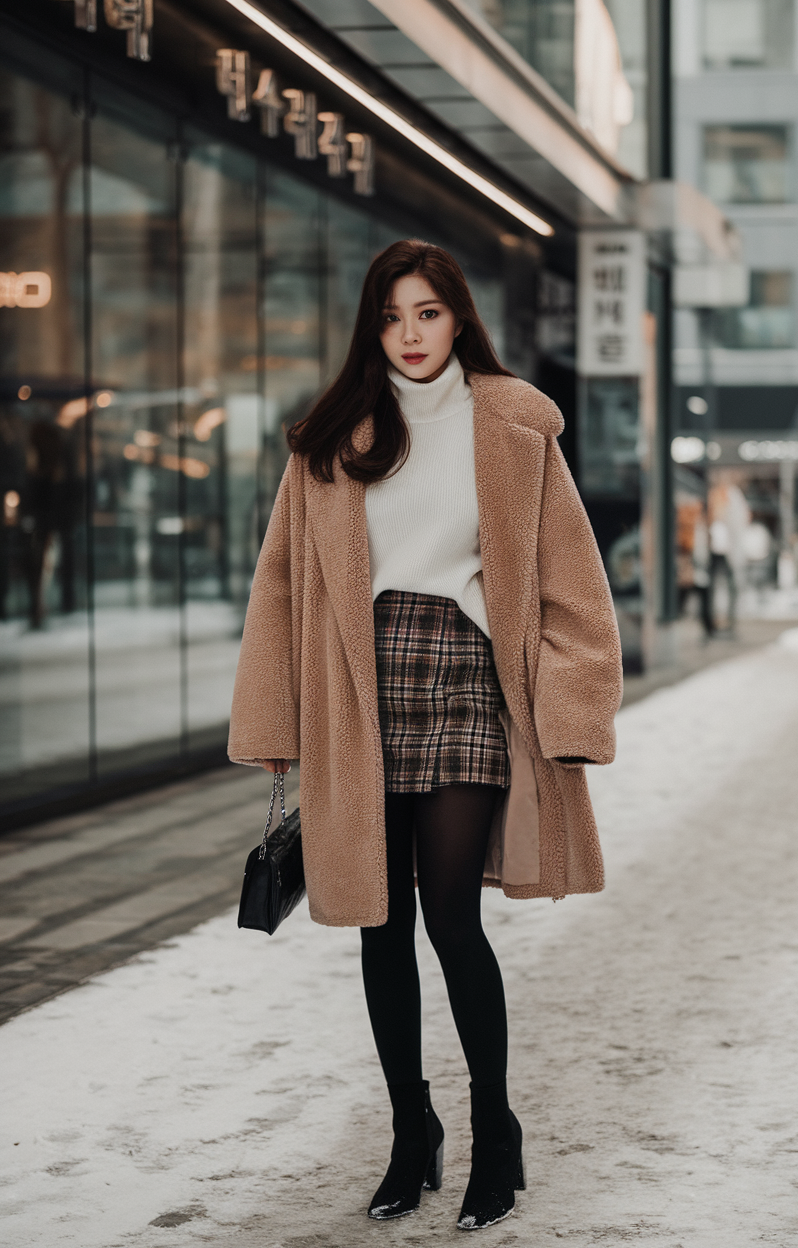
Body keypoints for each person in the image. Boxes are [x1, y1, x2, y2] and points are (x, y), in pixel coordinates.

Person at [228, 239, 622, 1230]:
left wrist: (575, 709)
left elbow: (574, 583)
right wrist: (276, 717)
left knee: (450, 916)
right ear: (374, 325)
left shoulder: (513, 425)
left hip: (467, 677)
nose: (410, 335)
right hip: (357, 685)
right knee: (377, 922)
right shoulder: (330, 439)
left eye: (429, 313)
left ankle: (496, 1132)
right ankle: (414, 1133)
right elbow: (280, 591)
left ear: (458, 320)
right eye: (393, 315)